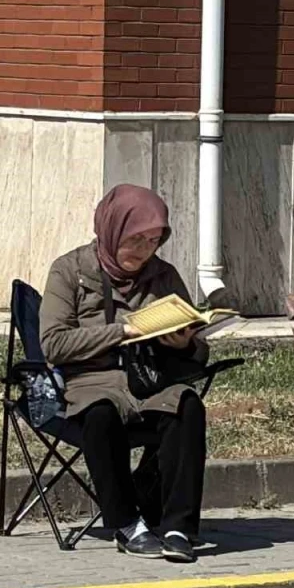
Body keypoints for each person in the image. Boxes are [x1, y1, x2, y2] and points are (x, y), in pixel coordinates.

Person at [39, 184, 209, 563]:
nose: (144, 250)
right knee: (101, 413)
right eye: (135, 240)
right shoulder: (69, 271)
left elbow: (198, 351)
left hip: (150, 380)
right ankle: (128, 524)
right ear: (111, 229)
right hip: (92, 382)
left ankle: (179, 527)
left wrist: (184, 343)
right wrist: (123, 331)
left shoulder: (163, 275)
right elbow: (53, 344)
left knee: (187, 405)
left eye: (153, 241)